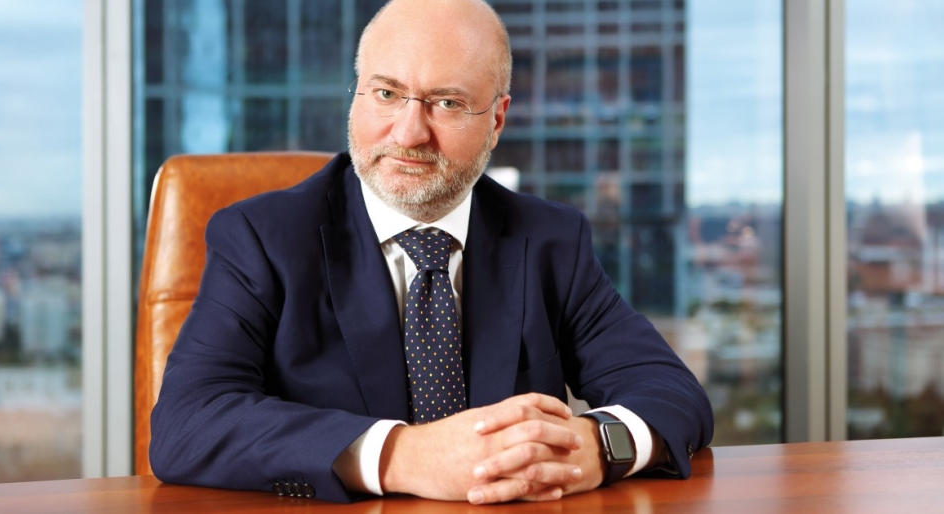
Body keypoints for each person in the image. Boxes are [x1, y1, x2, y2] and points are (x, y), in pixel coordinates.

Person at [149, 0, 713, 505]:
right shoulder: (261, 237)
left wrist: (596, 445)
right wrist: (405, 455)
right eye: (387, 94)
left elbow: (674, 394)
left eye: (446, 102)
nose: (409, 133)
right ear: (357, 94)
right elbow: (186, 425)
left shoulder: (552, 241)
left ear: (497, 119)